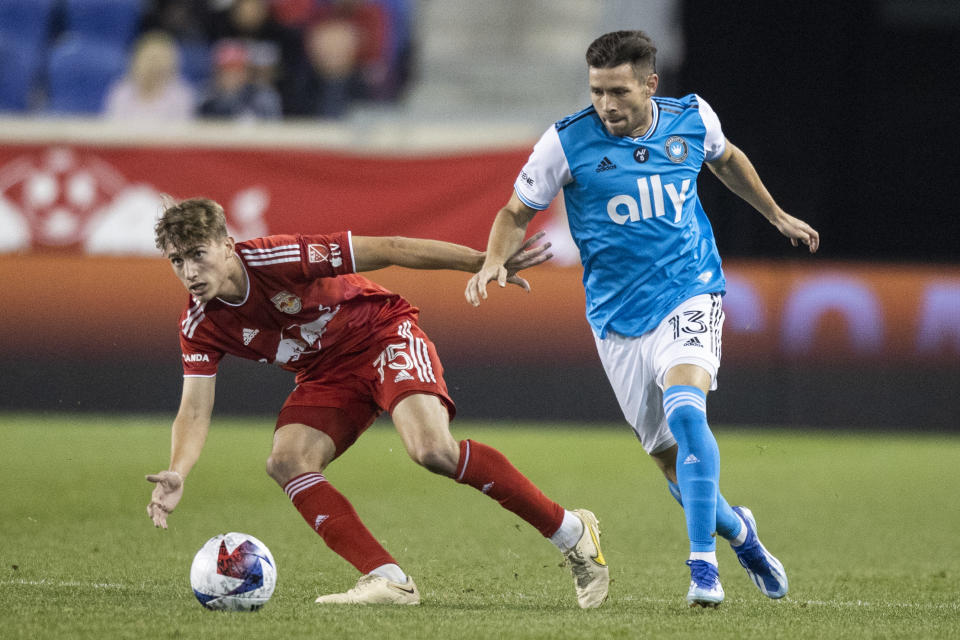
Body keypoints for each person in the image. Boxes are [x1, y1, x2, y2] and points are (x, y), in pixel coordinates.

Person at [466, 30, 820, 608]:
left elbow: (727, 161)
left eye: (620, 92)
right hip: (616, 319)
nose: (607, 104)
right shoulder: (565, 142)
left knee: (687, 411)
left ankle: (702, 567)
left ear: (650, 85)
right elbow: (514, 212)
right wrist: (493, 261)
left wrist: (776, 216)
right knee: (670, 464)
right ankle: (740, 532)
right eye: (598, 90)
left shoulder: (692, 118)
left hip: (690, 291)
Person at [145, 197, 609, 608]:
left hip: (381, 334)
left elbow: (389, 248)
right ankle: (388, 579)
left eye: (198, 256)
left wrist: (479, 262)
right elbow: (194, 409)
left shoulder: (281, 257)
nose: (189, 273)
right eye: (177, 261)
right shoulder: (199, 324)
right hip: (327, 374)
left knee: (432, 451)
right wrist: (178, 470)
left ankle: (570, 531)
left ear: (227, 245)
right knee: (286, 461)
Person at [103, 30, 196, 121]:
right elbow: (112, 128)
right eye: (150, 60)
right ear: (136, 62)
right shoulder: (122, 92)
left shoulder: (181, 96)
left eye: (160, 60)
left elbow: (183, 132)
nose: (154, 66)